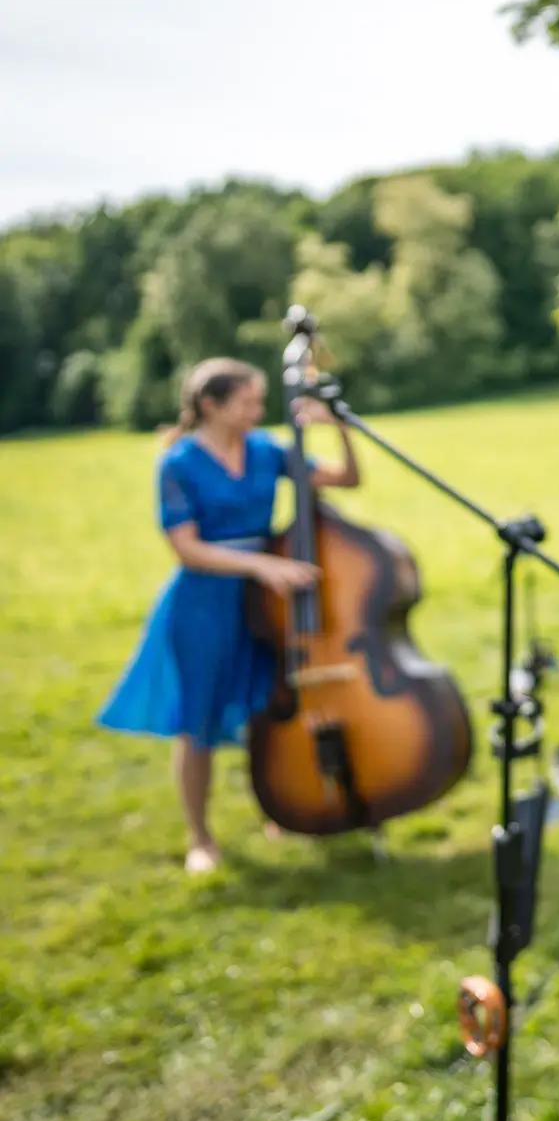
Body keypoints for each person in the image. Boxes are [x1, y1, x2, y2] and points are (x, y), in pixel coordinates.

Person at [97, 357, 361, 874]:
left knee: (267, 709)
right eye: (248, 402)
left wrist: (341, 430)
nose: (259, 411)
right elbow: (187, 549)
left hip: (266, 603)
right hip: (205, 604)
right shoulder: (178, 463)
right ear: (212, 406)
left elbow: (345, 479)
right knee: (199, 722)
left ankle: (278, 807)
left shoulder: (265, 450)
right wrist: (261, 563)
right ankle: (200, 836)